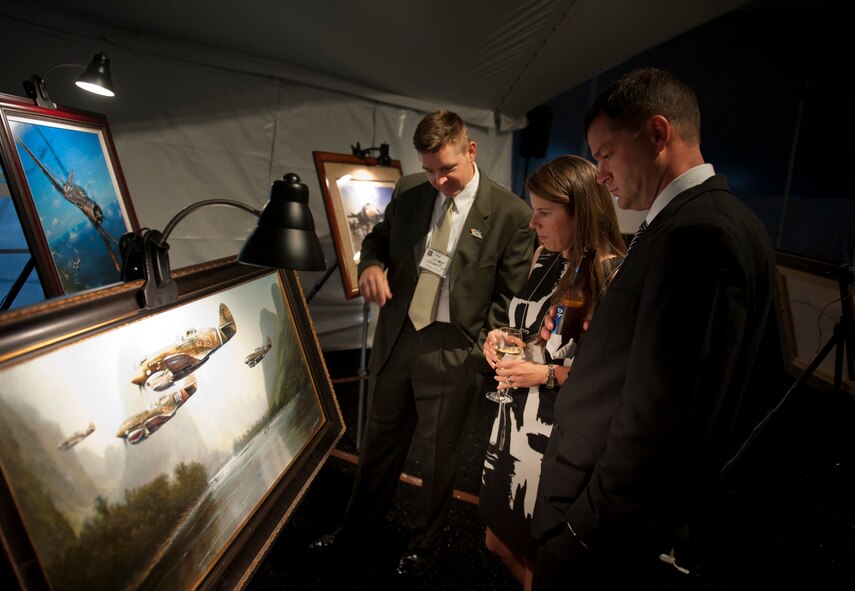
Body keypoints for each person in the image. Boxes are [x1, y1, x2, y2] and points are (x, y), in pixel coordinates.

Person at [530, 67, 780, 589]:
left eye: (605, 154)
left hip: (600, 524)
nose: (600, 175)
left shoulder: (700, 235)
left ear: (658, 135)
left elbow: (660, 427)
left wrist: (581, 531)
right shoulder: (688, 223)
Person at [309, 110, 535, 578]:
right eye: (430, 170)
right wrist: (370, 265)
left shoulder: (510, 213)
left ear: (471, 151)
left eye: (447, 169)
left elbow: (509, 297)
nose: (438, 181)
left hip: (455, 348)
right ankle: (357, 531)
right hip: (398, 338)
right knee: (377, 444)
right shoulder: (411, 189)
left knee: (439, 456)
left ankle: (423, 546)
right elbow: (378, 240)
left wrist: (476, 353)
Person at [479, 154, 626, 590]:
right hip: (513, 417)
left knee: (541, 554)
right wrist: (502, 338)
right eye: (533, 211)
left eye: (544, 213)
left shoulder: (609, 272)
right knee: (496, 539)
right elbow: (536, 332)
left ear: (581, 209)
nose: (533, 225)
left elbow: (610, 380)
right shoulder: (547, 256)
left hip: (553, 435)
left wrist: (542, 375)